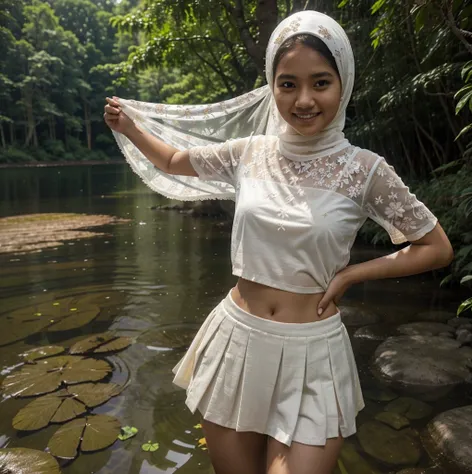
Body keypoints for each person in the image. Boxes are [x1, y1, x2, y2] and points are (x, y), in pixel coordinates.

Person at [104, 11, 453, 474]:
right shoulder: (250, 153)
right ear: (272, 86)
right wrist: (130, 127)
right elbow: (171, 160)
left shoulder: (365, 170)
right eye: (288, 84)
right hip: (238, 342)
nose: (304, 99)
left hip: (314, 351)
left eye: (320, 83)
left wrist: (352, 273)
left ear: (343, 84)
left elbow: (436, 247)